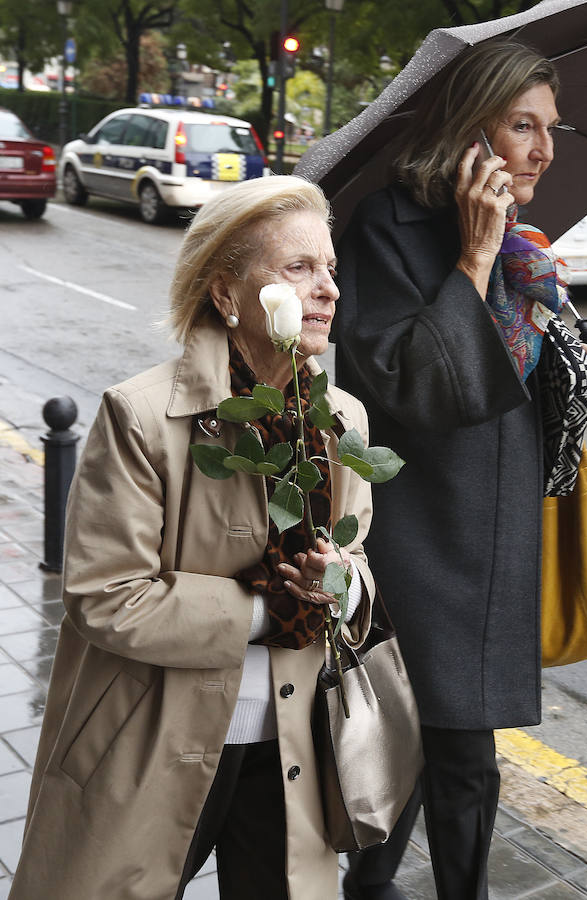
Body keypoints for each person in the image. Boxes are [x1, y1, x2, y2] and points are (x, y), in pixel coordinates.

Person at [10, 175, 377, 900]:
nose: (327, 288)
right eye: (297, 268)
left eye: (330, 268)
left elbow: (357, 562)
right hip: (148, 740)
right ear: (226, 294)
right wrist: (274, 609)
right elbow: (104, 596)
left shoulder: (343, 420)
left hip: (291, 742)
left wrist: (336, 581)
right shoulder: (143, 416)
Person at [334, 41, 587, 900]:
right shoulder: (388, 227)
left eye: (550, 127)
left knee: (450, 756)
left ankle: (375, 887)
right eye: (522, 125)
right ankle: (372, 887)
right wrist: (472, 255)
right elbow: (403, 386)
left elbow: (516, 383)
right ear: (471, 132)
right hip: (420, 541)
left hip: (496, 539)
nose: (544, 148)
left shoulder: (528, 252)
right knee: (442, 756)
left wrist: (581, 353)